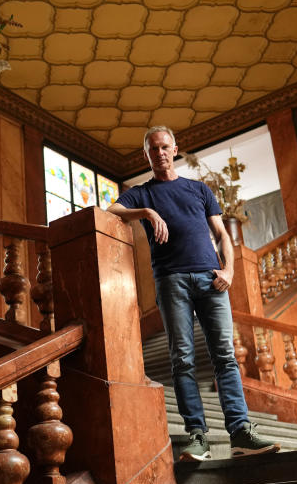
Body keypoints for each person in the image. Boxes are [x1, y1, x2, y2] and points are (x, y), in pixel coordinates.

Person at [107, 126, 280, 461]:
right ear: (147, 155)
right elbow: (111, 210)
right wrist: (146, 212)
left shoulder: (199, 189)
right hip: (171, 282)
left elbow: (221, 234)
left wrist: (229, 270)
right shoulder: (141, 194)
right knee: (182, 360)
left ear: (174, 149)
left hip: (211, 280)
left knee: (225, 357)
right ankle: (197, 436)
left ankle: (240, 432)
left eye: (164, 147)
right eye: (152, 149)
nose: (159, 153)